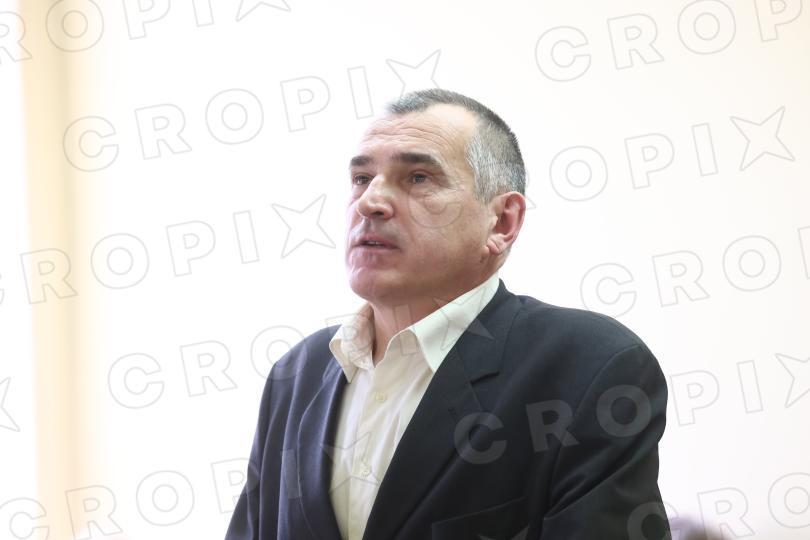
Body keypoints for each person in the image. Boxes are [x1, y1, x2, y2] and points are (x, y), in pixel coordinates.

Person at [224, 88, 671, 540]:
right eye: (361, 178)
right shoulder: (298, 373)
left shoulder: (588, 365)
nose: (370, 202)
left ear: (502, 222)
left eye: (418, 178)